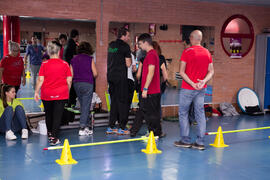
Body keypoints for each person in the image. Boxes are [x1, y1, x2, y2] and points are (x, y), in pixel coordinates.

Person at [174, 30, 214, 150]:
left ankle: (185, 140)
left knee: (183, 113)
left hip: (188, 88)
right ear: (200, 39)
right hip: (201, 88)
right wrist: (203, 81)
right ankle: (200, 142)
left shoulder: (187, 52)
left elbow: (181, 71)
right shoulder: (207, 52)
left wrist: (192, 83)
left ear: (192, 38)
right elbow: (211, 71)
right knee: (200, 113)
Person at [35, 41, 72, 146]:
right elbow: (69, 80)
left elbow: (40, 80)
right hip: (61, 94)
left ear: (49, 52)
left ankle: (50, 133)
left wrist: (36, 92)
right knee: (57, 115)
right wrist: (67, 90)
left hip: (46, 94)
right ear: (59, 51)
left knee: (48, 114)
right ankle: (54, 138)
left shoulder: (44, 64)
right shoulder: (65, 64)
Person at [136, 33, 162, 137]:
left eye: (140, 44)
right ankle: (155, 133)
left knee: (151, 114)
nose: (139, 46)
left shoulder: (151, 54)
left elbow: (151, 72)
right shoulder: (150, 54)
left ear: (146, 42)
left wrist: (145, 88)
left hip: (151, 90)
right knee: (151, 113)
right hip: (151, 90)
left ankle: (154, 134)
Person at [106, 27, 131, 135]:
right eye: (128, 36)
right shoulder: (125, 46)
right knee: (122, 102)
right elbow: (128, 64)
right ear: (123, 35)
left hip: (111, 76)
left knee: (114, 102)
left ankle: (111, 126)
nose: (129, 38)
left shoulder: (111, 45)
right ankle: (122, 127)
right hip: (121, 77)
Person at [70, 42, 98, 136]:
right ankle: (82, 127)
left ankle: (86, 126)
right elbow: (95, 73)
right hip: (87, 84)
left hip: (76, 84)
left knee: (83, 105)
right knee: (86, 106)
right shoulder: (90, 59)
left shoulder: (73, 59)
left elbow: (71, 74)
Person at [63, 29, 79, 110]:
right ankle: (70, 102)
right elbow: (74, 57)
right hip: (71, 68)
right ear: (76, 36)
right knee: (72, 86)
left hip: (66, 68)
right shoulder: (73, 45)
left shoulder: (67, 44)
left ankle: (68, 102)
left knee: (68, 86)